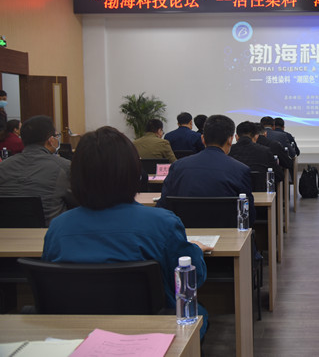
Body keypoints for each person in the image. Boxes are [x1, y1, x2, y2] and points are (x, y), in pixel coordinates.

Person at [41, 126, 212, 337]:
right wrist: (194, 250)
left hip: (76, 333)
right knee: (201, 312)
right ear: (134, 173)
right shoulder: (162, 223)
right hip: (152, 332)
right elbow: (192, 279)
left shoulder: (58, 228)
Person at [157, 115, 256, 225]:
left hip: (184, 232)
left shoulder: (177, 166)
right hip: (227, 233)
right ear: (230, 140)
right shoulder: (241, 170)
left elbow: (163, 206)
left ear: (203, 139)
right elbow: (248, 216)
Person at [0, 115, 76, 225]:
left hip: (6, 233)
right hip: (49, 232)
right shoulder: (64, 167)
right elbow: (78, 202)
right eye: (57, 136)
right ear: (51, 140)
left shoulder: (3, 166)